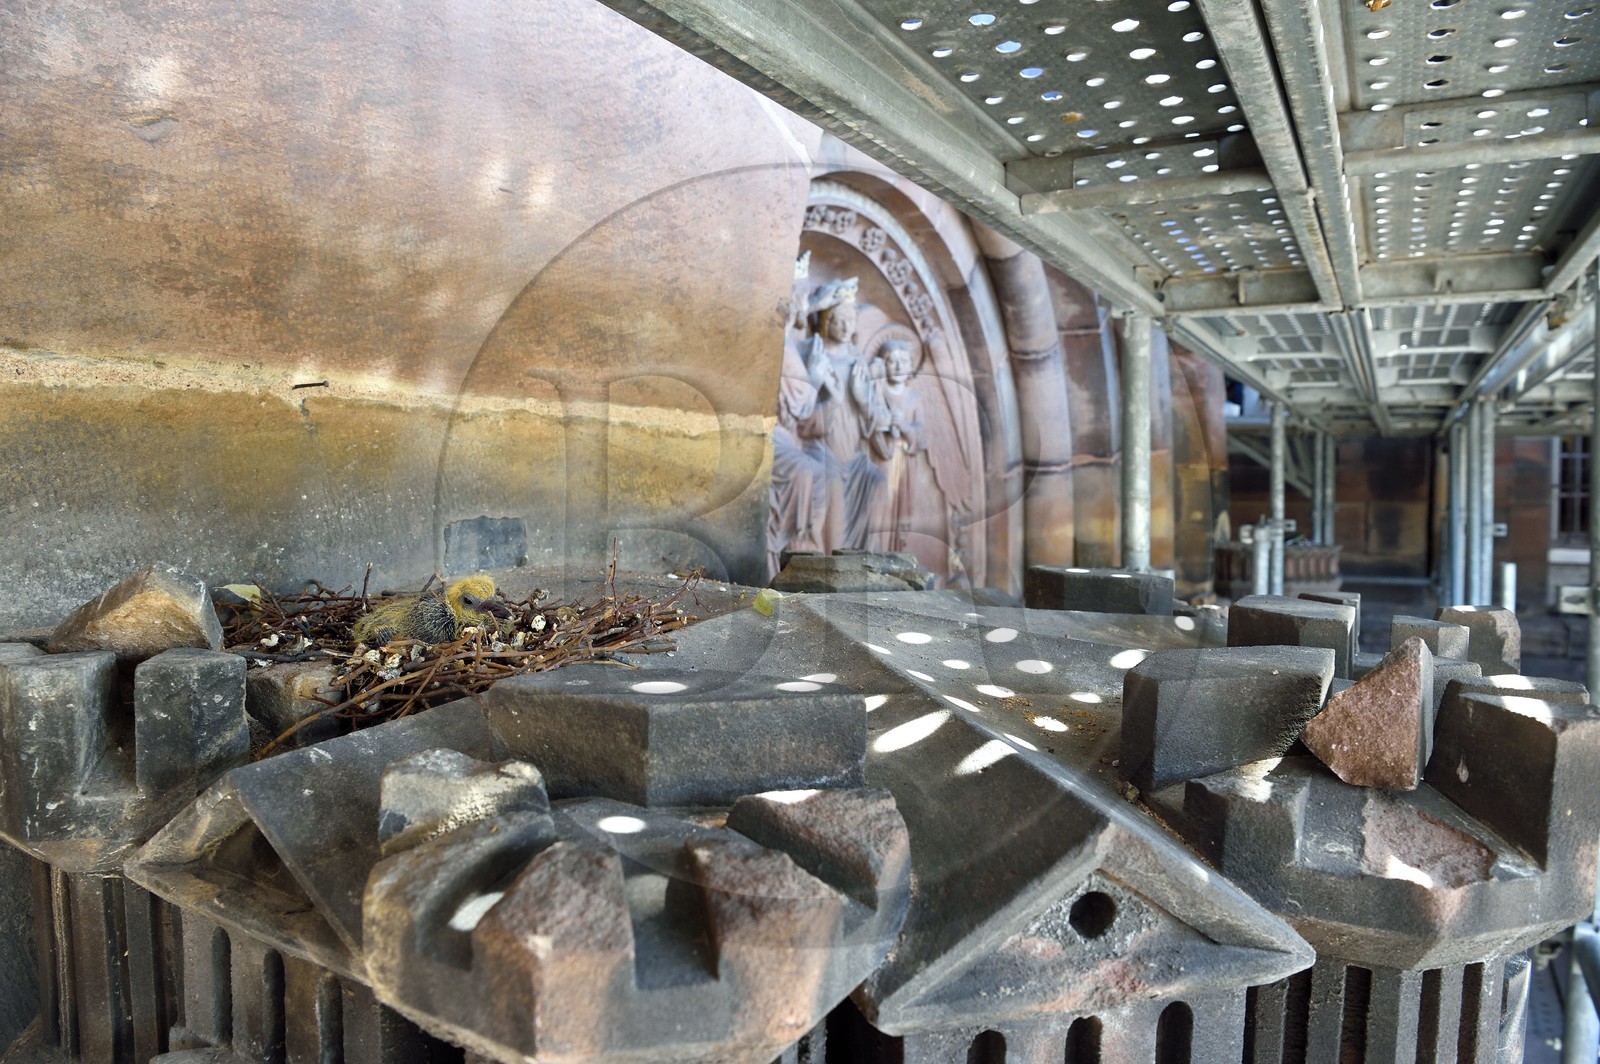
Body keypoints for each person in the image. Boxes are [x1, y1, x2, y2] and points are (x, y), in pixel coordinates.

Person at [796, 278, 887, 551]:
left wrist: (862, 399)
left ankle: (865, 560)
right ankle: (830, 565)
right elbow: (800, 417)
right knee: (832, 487)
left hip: (854, 454)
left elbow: (877, 416)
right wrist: (831, 398)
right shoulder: (812, 353)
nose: (847, 327)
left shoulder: (858, 361)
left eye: (851, 320)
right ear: (826, 321)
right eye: (840, 320)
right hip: (821, 449)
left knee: (878, 482)